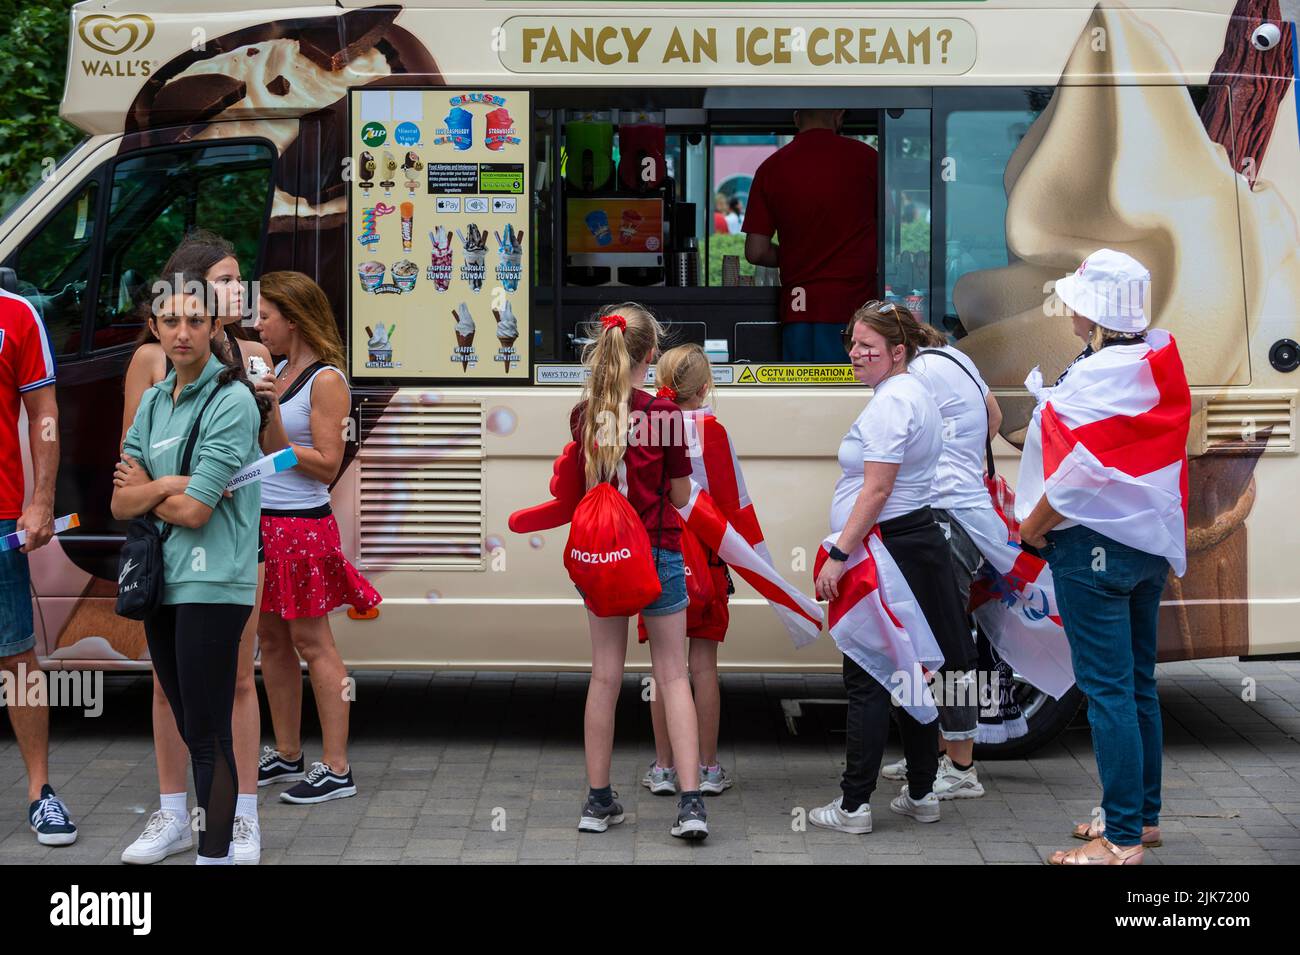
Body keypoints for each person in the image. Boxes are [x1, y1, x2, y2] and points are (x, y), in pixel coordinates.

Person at [1017, 250, 1190, 866]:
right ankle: (1141, 820)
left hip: (1090, 545)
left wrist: (1032, 529)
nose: (1065, 305)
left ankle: (1119, 841)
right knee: (1138, 685)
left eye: (1074, 298)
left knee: (1108, 692)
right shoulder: (1156, 358)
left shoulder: (1096, 377)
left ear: (1093, 311)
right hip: (1143, 544)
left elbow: (1077, 477)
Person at [119, 231, 274, 865]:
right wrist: (170, 484)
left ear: (207, 322)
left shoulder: (244, 366)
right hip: (168, 564)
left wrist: (170, 487)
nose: (238, 290)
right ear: (160, 320)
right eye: (225, 278)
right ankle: (175, 814)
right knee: (178, 697)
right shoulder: (154, 379)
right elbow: (125, 485)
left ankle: (237, 824)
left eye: (237, 282)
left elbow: (247, 466)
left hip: (225, 555)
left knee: (233, 689)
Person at [808, 301, 976, 834]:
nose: (855, 354)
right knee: (914, 670)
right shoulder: (915, 393)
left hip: (886, 548)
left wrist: (838, 554)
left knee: (868, 676)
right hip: (916, 541)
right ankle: (923, 793)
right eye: (851, 342)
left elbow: (877, 489)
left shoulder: (889, 404)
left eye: (868, 347)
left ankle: (854, 806)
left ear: (897, 352)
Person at [570, 304, 708, 840]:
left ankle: (598, 801)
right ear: (651, 356)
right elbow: (677, 493)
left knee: (604, 674)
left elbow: (582, 490)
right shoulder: (666, 415)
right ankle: (691, 803)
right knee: (673, 674)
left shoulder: (585, 415)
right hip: (658, 553)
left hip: (603, 557)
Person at [252, 271, 380, 804]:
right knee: (272, 643)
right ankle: (286, 754)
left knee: (312, 642)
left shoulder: (327, 380)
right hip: (262, 524)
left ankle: (337, 767)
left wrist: (275, 431)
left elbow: (327, 466)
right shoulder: (277, 371)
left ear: (295, 319)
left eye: (266, 316)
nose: (258, 326)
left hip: (302, 527)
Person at [877, 324, 1004, 799]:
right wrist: (961, 456)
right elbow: (994, 416)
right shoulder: (956, 358)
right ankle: (928, 754)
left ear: (898, 346)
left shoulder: (917, 374)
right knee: (934, 639)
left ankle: (962, 767)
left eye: (870, 346)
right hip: (968, 509)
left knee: (946, 644)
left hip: (943, 512)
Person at [0, 287, 77, 847]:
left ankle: (40, 791)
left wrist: (42, 499)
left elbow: (43, 413)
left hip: (1, 515)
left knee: (16, 653)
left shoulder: (17, 313)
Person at [640, 345, 734, 798]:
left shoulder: (650, 420)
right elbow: (734, 504)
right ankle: (709, 767)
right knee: (701, 667)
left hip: (659, 550)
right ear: (704, 388)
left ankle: (663, 767)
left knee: (664, 668)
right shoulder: (712, 430)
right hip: (708, 561)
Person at [743, 108, 878, 363]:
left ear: (796, 118)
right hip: (856, 306)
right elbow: (889, 230)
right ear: (838, 116)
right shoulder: (868, 159)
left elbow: (756, 251)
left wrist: (796, 254)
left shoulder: (771, 167)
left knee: (800, 393)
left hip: (798, 309)